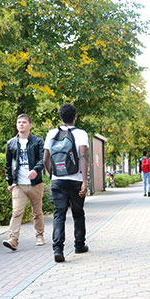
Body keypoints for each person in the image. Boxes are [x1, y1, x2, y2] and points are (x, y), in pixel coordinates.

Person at [44, 103, 89, 263]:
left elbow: (45, 159)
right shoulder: (81, 134)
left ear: (61, 118)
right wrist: (84, 180)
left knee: (59, 215)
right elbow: (83, 157)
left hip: (58, 181)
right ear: (75, 117)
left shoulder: (51, 133)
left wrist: (53, 176)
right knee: (78, 213)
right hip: (75, 180)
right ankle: (79, 245)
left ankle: (58, 249)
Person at [3, 114, 45, 251]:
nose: (21, 124)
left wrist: (36, 170)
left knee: (37, 212)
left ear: (30, 125)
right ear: (16, 125)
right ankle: (13, 240)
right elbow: (8, 164)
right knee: (16, 212)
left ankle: (39, 235)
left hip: (35, 184)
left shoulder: (38, 142)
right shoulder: (11, 143)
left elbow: (42, 159)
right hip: (19, 185)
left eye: (24, 122)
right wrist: (10, 182)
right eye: (19, 122)